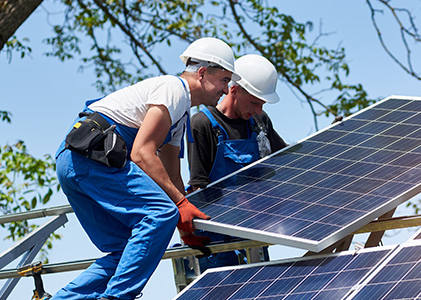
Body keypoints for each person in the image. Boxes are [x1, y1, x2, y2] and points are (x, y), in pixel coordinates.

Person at [52, 37, 239, 300]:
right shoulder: (173, 89)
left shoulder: (180, 114)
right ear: (202, 73)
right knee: (159, 213)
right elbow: (142, 153)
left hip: (75, 161)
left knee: (130, 249)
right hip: (92, 159)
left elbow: (171, 175)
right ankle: (118, 298)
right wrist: (177, 207)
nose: (226, 88)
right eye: (224, 80)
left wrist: (184, 225)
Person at [186, 54, 286, 270]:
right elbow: (198, 188)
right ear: (234, 90)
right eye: (254, 102)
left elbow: (288, 162)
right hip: (218, 242)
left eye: (262, 104)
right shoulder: (202, 124)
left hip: (254, 233)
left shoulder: (260, 122)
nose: (258, 110)